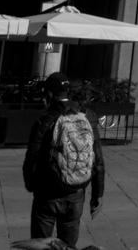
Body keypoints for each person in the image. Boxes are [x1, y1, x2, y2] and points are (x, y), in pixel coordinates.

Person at [23, 71, 104, 249]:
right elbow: (97, 158)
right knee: (68, 245)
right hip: (76, 192)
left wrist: (32, 186)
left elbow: (31, 159)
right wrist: (97, 194)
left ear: (49, 95)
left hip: (47, 194)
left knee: (42, 245)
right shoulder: (88, 116)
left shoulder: (44, 120)